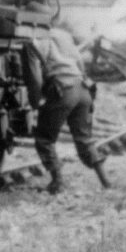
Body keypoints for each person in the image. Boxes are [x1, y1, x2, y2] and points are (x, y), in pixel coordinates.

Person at [26, 24, 108, 192]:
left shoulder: (31, 42)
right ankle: (106, 181)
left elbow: (34, 78)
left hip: (62, 89)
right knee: (84, 138)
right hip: (82, 88)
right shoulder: (63, 35)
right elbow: (79, 62)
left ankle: (58, 182)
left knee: (44, 138)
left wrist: (36, 102)